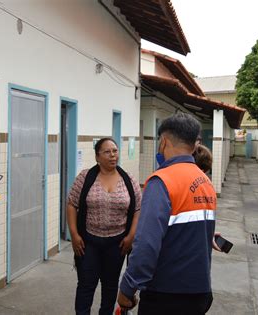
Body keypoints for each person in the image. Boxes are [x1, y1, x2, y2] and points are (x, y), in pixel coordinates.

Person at [117, 113, 217, 315]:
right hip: (200, 291)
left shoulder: (161, 182)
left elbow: (146, 243)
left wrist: (128, 287)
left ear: (163, 141)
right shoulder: (205, 181)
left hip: (167, 293)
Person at [67, 137, 142, 315]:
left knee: (110, 285)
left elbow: (138, 208)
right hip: (88, 242)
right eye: (107, 152)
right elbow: (71, 204)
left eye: (115, 151)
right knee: (86, 284)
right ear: (97, 157)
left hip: (117, 243)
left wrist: (131, 236)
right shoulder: (85, 177)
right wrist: (74, 234)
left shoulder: (128, 179)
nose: (112, 155)